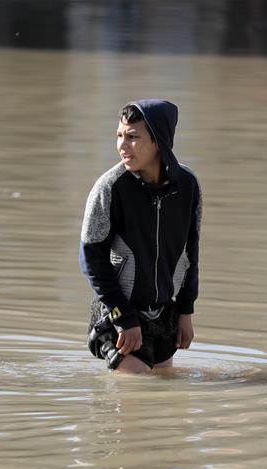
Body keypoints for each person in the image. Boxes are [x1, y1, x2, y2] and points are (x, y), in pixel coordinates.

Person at [79, 100, 202, 374]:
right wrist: (123, 317)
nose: (123, 145)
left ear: (159, 141)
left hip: (164, 315)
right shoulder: (110, 188)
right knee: (142, 391)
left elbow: (190, 252)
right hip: (118, 315)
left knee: (165, 399)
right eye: (120, 136)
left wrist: (185, 311)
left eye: (133, 137)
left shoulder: (188, 186)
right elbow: (91, 259)